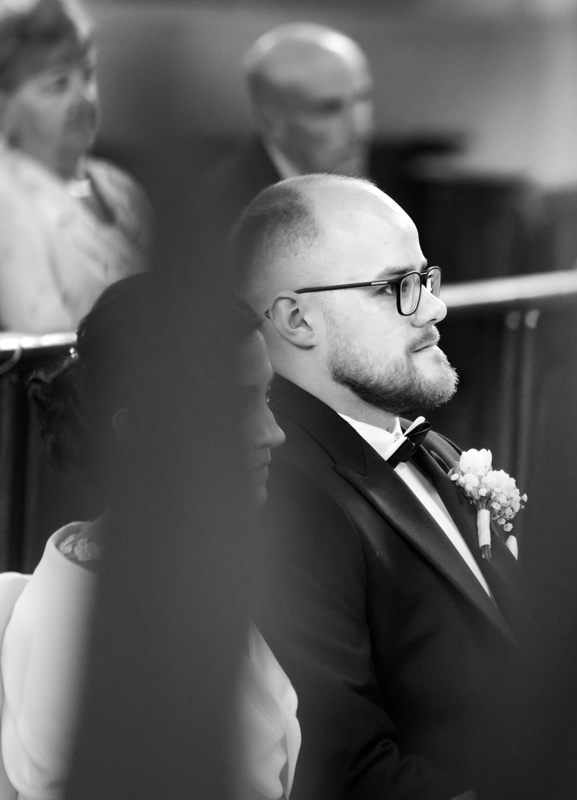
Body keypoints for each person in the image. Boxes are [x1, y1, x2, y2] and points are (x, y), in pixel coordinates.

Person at [232, 175, 531, 800]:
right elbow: (348, 770)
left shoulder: (410, 438)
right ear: (297, 319)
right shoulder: (282, 494)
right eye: (398, 287)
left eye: (426, 279)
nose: (434, 309)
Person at [0, 275, 298, 800]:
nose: (273, 431)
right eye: (236, 405)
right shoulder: (121, 642)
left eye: (266, 395)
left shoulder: (154, 576)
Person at [0, 0, 149, 334]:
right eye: (58, 83)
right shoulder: (6, 199)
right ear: (3, 105)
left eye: (88, 74)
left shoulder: (119, 185)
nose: (84, 99)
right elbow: (43, 341)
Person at [206, 23, 372, 233]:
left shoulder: (392, 183)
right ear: (270, 122)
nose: (360, 127)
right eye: (329, 109)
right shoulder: (224, 214)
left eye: (362, 98)